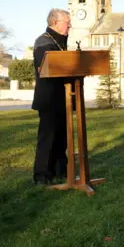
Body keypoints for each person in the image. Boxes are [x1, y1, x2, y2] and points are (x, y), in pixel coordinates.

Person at [31, 9, 71, 185]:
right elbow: (50, 67)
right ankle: (42, 175)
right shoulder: (43, 42)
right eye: (67, 22)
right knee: (48, 138)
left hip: (63, 97)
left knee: (61, 137)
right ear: (55, 23)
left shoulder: (60, 41)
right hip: (48, 98)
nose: (70, 25)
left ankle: (59, 170)